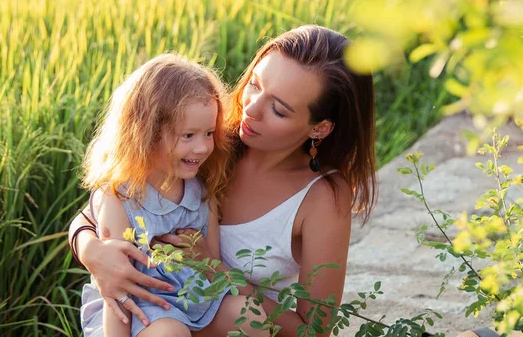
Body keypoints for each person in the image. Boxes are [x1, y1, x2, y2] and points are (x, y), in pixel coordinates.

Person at [70, 25, 377, 336]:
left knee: (247, 320)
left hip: (227, 320)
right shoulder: (208, 143)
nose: (251, 110)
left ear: (320, 129)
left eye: (278, 109)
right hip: (149, 317)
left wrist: (217, 271)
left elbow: (315, 331)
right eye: (255, 85)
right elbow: (107, 201)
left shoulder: (322, 197)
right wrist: (91, 250)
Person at [77, 54, 268, 337]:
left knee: (249, 316)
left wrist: (207, 264)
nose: (203, 147)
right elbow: (117, 292)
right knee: (169, 332)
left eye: (208, 133)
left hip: (195, 302)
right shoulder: (120, 197)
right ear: (147, 133)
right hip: (139, 311)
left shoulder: (202, 189)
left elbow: (212, 264)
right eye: (188, 135)